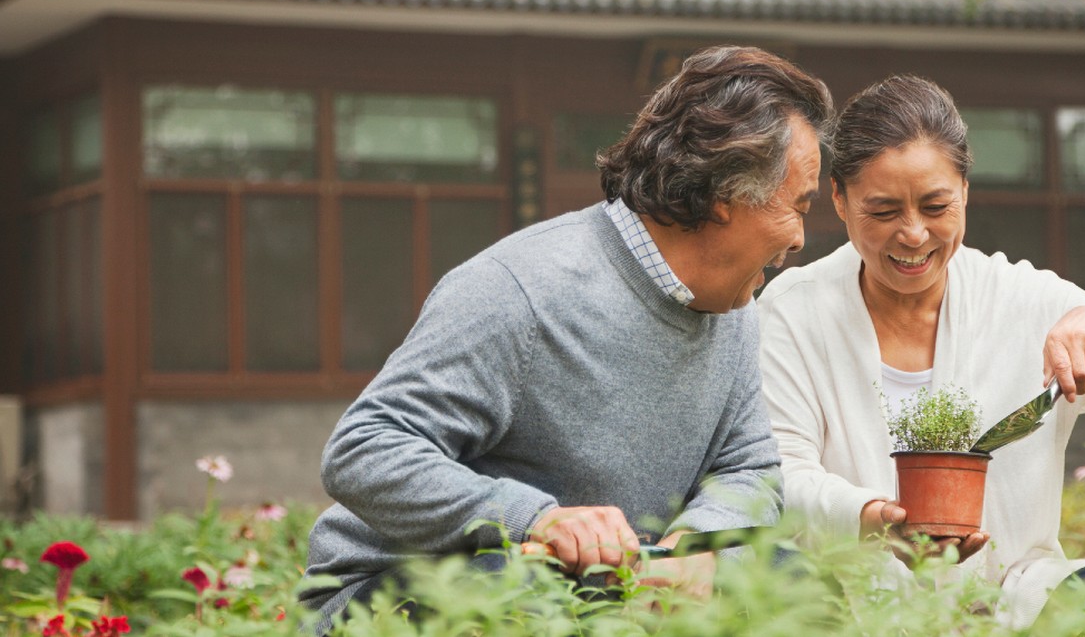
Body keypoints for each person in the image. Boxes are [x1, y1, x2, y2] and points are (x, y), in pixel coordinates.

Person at [301, 45, 834, 633]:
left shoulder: (734, 308)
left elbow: (750, 466)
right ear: (724, 196)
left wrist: (699, 546)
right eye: (798, 207)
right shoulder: (520, 289)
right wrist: (537, 520)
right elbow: (364, 449)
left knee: (797, 582)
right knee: (536, 591)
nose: (800, 240)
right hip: (410, 588)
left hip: (610, 586)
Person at [756, 75, 1085, 628]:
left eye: (936, 206)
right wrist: (871, 518)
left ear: (965, 192)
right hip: (854, 601)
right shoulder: (795, 311)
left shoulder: (1024, 303)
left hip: (1015, 604)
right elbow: (776, 475)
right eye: (884, 211)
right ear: (839, 199)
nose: (913, 235)